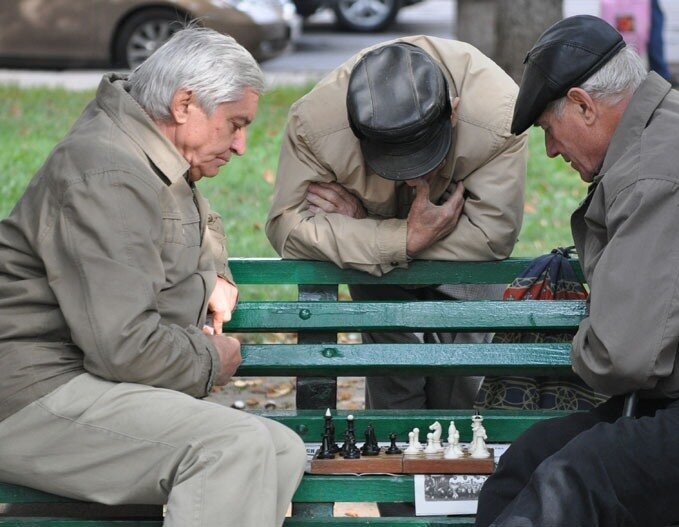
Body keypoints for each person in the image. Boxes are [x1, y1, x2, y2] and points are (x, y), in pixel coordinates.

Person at [476, 14, 679, 527]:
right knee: (529, 462)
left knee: (582, 476)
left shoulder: (662, 166)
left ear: (583, 105)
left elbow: (620, 355)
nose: (551, 150)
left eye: (548, 130)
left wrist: (588, 341)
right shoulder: (658, 138)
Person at [0, 27, 306, 527]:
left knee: (281, 451)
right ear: (185, 103)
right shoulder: (110, 172)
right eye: (234, 124)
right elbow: (124, 346)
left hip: (78, 382)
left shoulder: (150, 154)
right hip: (31, 393)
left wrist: (214, 277)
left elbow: (196, 226)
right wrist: (214, 358)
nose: (242, 145)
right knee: (233, 447)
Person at [266, 37, 527, 413]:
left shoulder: (498, 111)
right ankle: (399, 461)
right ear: (356, 129)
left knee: (463, 397)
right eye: (391, 162)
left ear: (453, 112)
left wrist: (366, 229)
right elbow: (286, 227)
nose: (410, 180)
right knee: (393, 396)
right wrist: (401, 238)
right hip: (378, 267)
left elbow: (490, 237)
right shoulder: (315, 124)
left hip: (462, 274)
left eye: (426, 159)